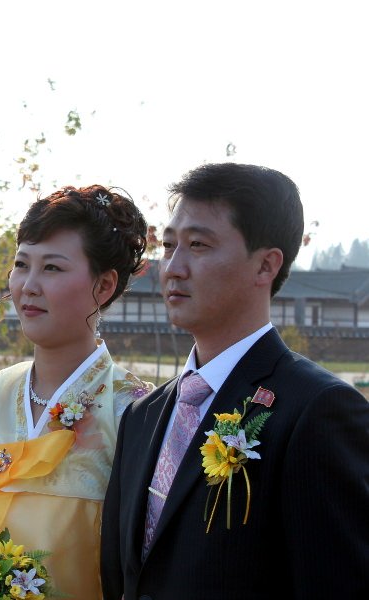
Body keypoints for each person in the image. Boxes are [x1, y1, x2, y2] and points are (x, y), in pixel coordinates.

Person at [101, 163, 369, 599]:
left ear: (265, 266)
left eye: (199, 245)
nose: (174, 267)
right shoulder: (142, 417)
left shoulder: (317, 411)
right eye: (168, 246)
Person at [0, 185, 154, 599]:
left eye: (53, 268)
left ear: (104, 285)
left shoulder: (136, 411)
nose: (28, 285)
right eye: (22, 265)